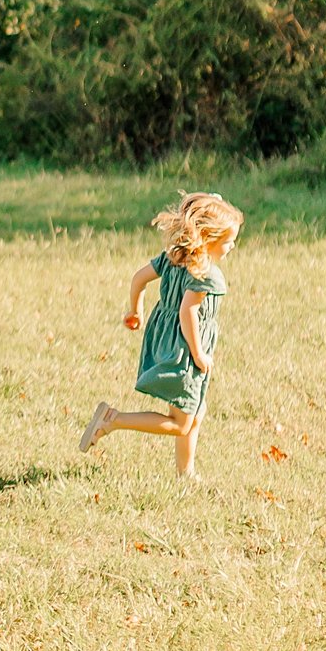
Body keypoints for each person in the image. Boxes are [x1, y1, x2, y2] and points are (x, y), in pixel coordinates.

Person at [78, 191, 244, 479]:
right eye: (228, 240)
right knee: (181, 422)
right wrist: (199, 354)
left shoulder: (174, 257)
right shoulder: (207, 274)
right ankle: (113, 420)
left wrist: (135, 310)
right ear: (208, 238)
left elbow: (138, 278)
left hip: (164, 338)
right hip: (186, 347)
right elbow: (187, 313)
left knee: (195, 411)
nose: (231, 246)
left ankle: (186, 472)